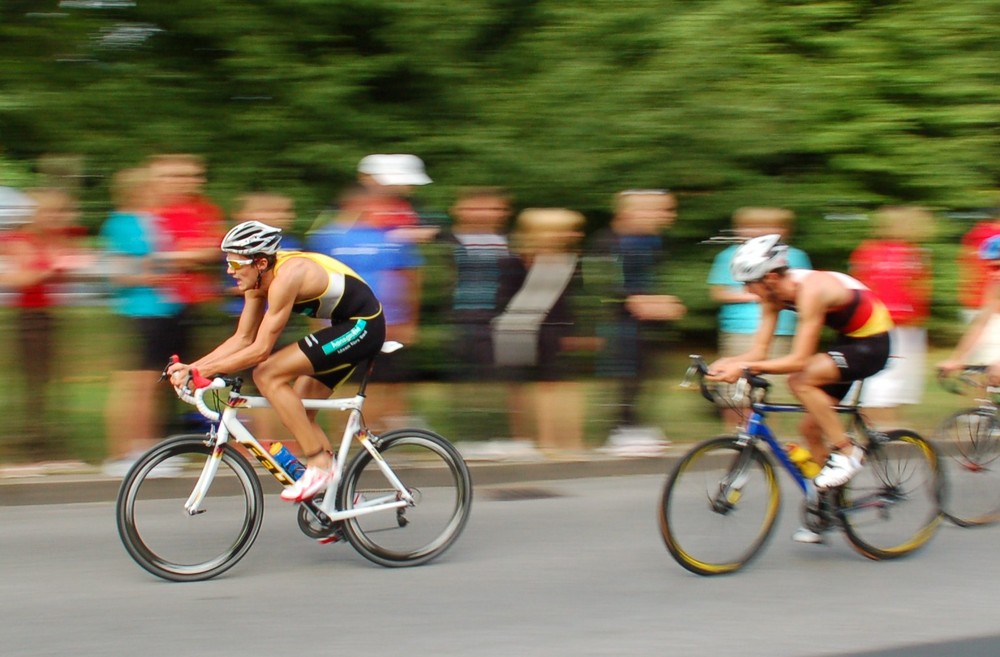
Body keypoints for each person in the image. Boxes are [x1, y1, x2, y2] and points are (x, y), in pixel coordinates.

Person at [167, 220, 386, 504]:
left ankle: (319, 465)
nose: (229, 271)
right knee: (301, 411)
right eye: (228, 262)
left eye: (235, 263)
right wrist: (192, 367)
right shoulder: (258, 280)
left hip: (364, 326)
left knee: (267, 374)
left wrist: (201, 371)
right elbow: (243, 338)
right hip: (344, 325)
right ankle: (341, 501)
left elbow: (260, 350)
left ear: (259, 262)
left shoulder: (286, 277)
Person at [707, 234, 894, 540]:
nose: (746, 290)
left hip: (873, 343)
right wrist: (728, 362)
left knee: (801, 379)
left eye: (748, 282)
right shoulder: (771, 296)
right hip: (847, 343)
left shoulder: (812, 289)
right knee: (810, 429)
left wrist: (746, 368)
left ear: (769, 277)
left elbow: (799, 359)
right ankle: (825, 511)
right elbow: (759, 353)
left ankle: (848, 452)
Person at [99, 167, 186, 476]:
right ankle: (125, 453)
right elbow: (117, 273)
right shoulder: (121, 223)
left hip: (160, 311)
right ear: (139, 190)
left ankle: (145, 448)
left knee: (149, 385)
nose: (162, 192)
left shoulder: (149, 220)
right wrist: (151, 273)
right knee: (135, 385)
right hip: (139, 312)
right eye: (154, 186)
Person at [590, 189, 685, 455]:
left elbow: (650, 281)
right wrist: (647, 302)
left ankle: (636, 425)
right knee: (626, 373)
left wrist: (662, 302)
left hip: (648, 323)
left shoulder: (652, 240)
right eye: (662, 210)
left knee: (646, 375)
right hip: (620, 321)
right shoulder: (610, 241)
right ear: (634, 211)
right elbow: (609, 285)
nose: (668, 216)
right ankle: (618, 429)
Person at [0, 187, 91, 460]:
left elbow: (74, 269)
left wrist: (64, 266)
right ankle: (33, 438)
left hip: (51, 315)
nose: (56, 219)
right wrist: (52, 268)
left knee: (52, 379)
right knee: (34, 380)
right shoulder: (18, 240)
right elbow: (15, 279)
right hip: (29, 318)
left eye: (60, 213)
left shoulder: (56, 240)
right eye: (50, 212)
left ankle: (49, 435)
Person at [707, 207, 811, 428]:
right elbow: (717, 291)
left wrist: (770, 297)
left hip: (782, 330)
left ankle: (760, 438)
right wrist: (755, 297)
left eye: (770, 226)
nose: (761, 231)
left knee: (769, 389)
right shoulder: (730, 256)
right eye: (752, 226)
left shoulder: (795, 256)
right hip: (740, 328)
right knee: (735, 390)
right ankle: (739, 436)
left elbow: (803, 295)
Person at [849, 206, 933, 428]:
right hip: (880, 322)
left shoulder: (916, 252)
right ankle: (879, 423)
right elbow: (860, 286)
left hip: (906, 324)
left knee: (901, 374)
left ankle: (889, 421)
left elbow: (920, 288)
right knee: (885, 372)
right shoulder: (868, 251)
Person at [940, 234, 1000, 382]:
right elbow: (980, 324)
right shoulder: (995, 287)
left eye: (997, 267)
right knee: (990, 384)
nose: (993, 274)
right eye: (989, 268)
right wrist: (956, 359)